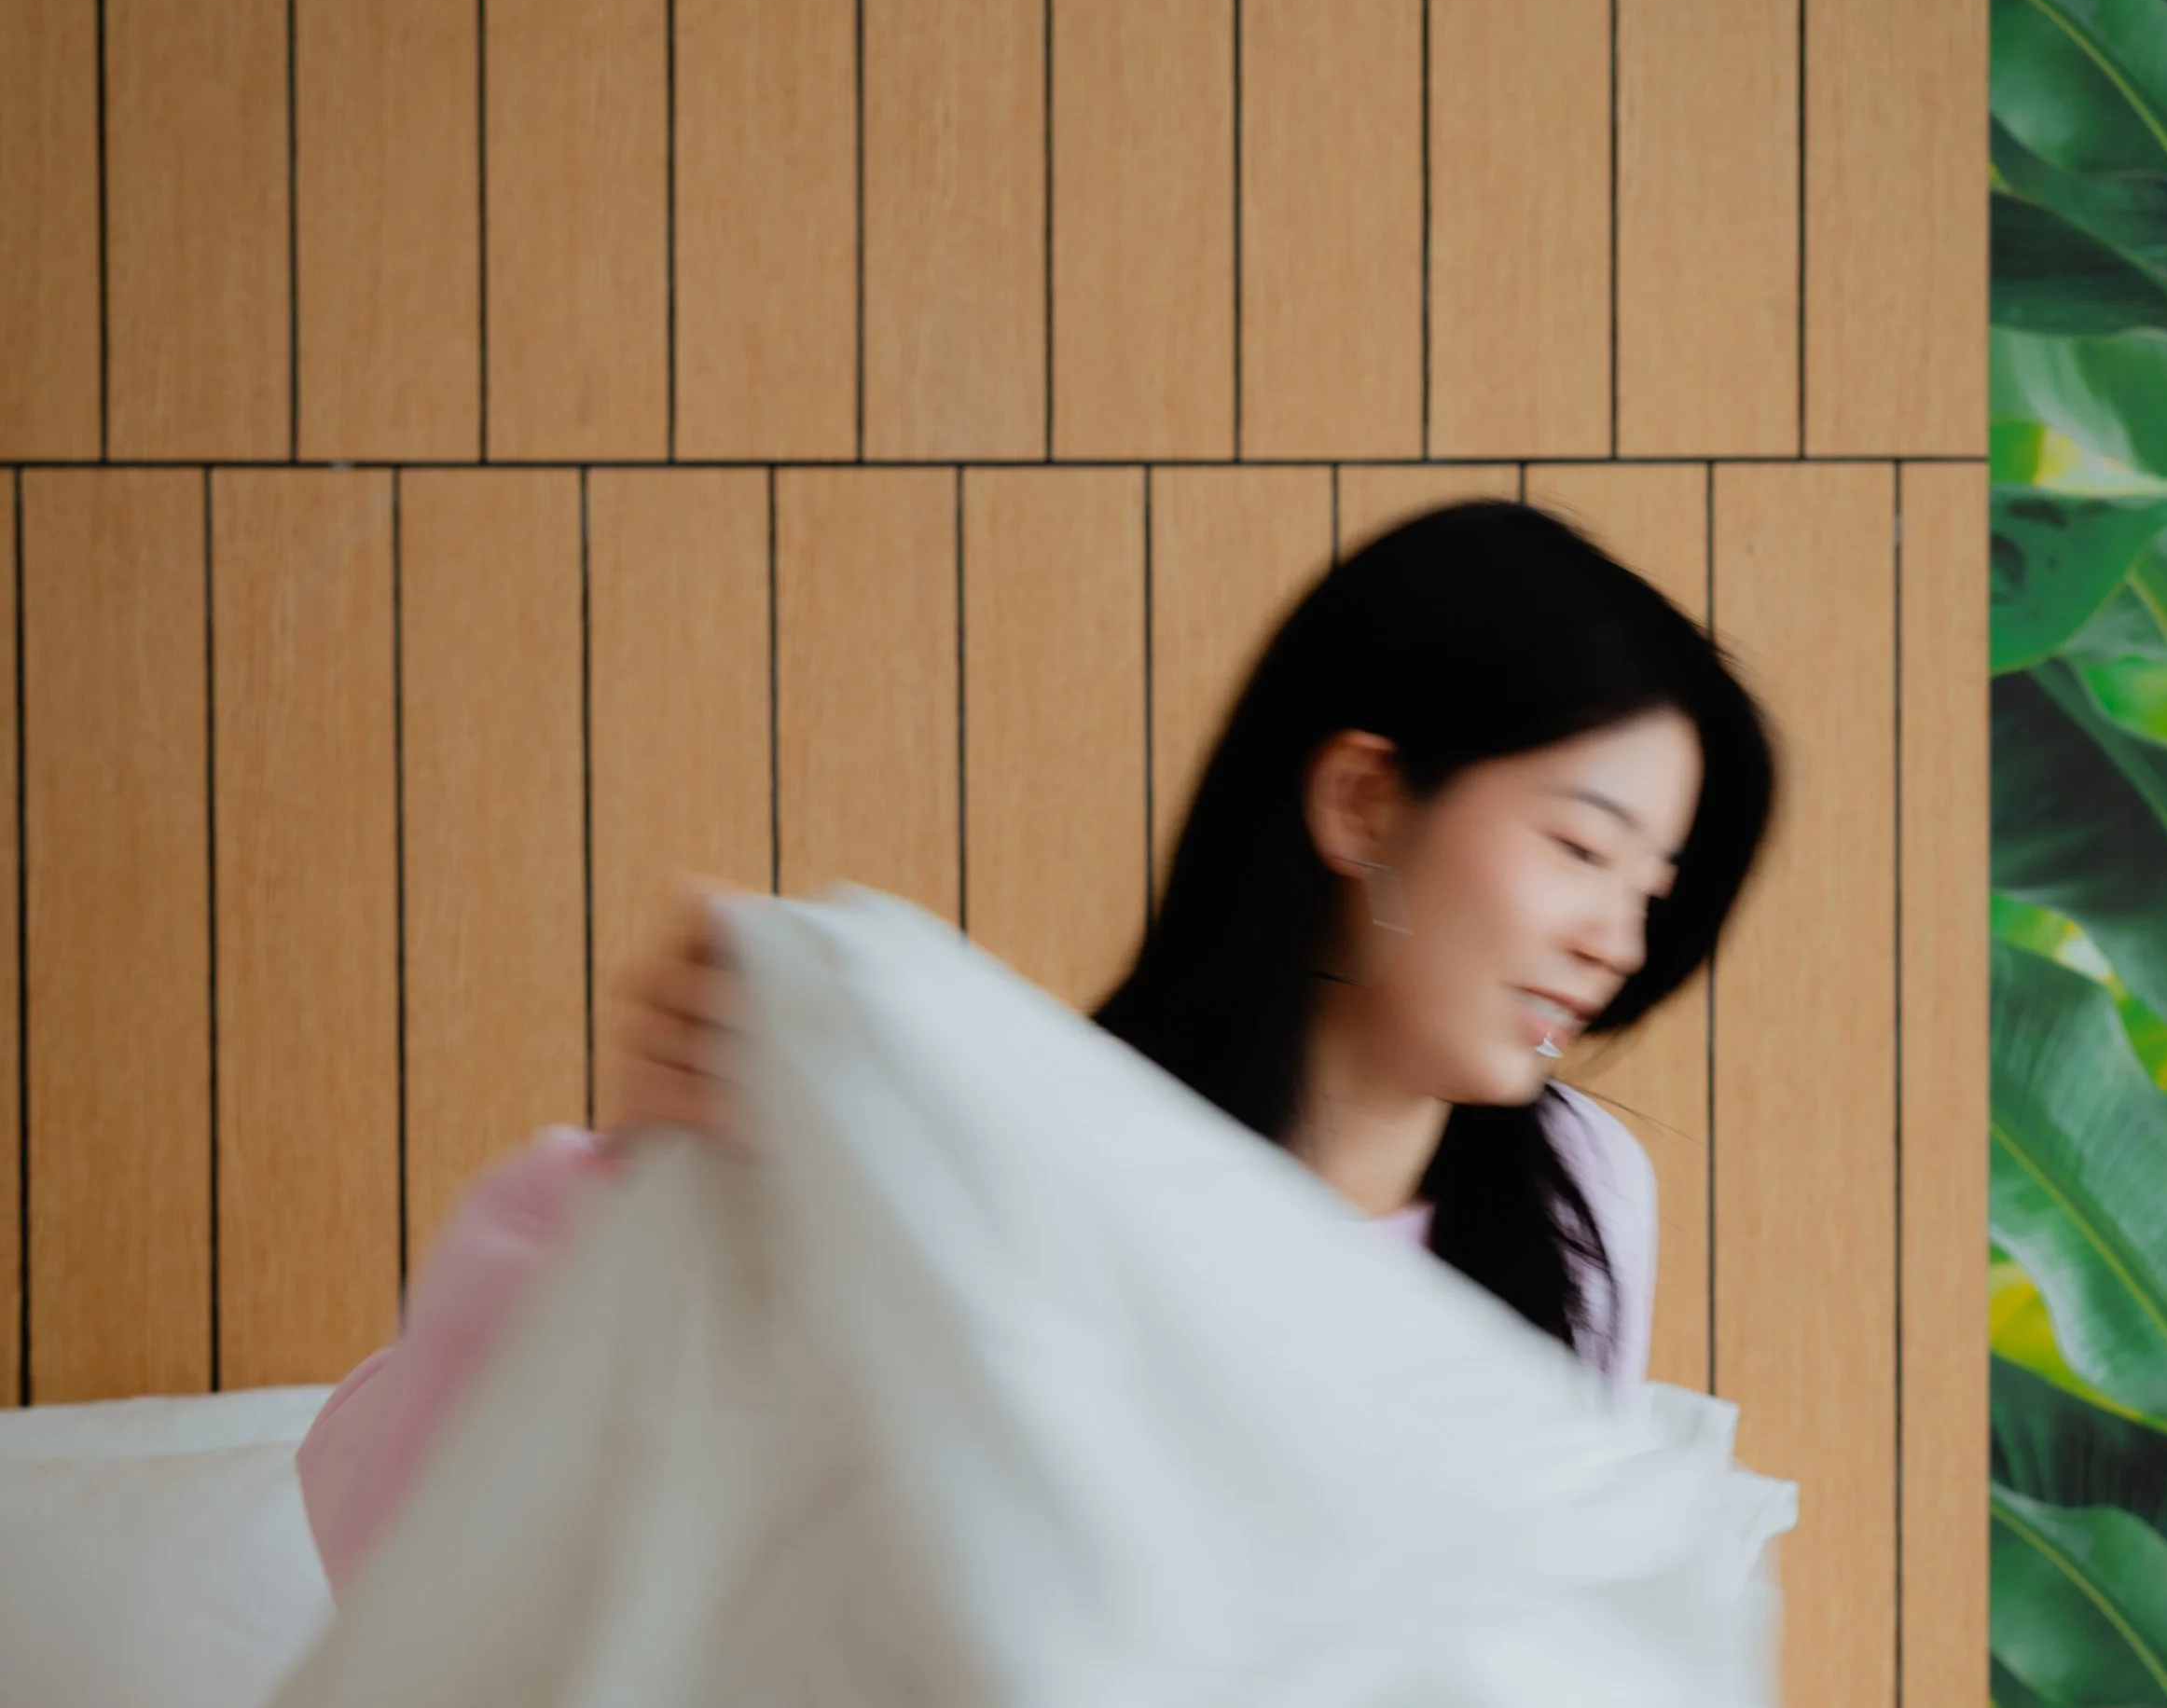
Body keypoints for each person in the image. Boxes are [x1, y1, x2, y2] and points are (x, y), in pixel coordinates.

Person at [297, 501, 1774, 1593]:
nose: (1620, 941)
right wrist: (654, 1195)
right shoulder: (1011, 1170)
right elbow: (432, 1548)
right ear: (1363, 803)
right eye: (1582, 848)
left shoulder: (1579, 1198)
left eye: (1654, 887)